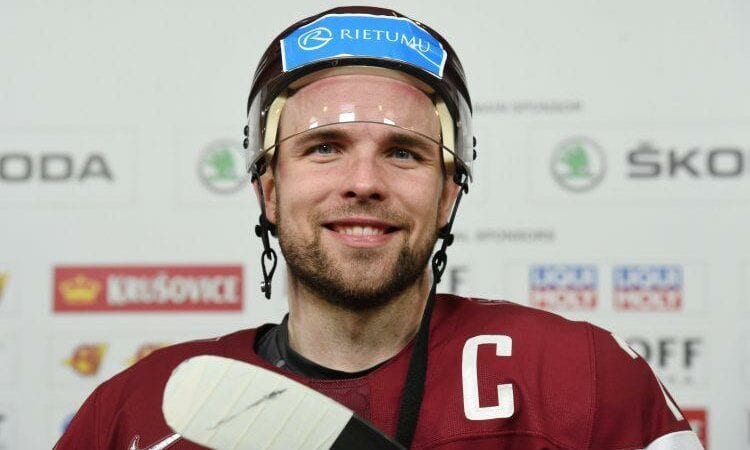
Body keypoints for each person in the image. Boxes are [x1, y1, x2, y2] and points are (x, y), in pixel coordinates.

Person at [56, 6, 703, 449]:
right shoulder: (136, 413)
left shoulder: (579, 378)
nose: (363, 181)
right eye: (324, 147)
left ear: (448, 194)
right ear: (269, 189)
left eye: (404, 152)